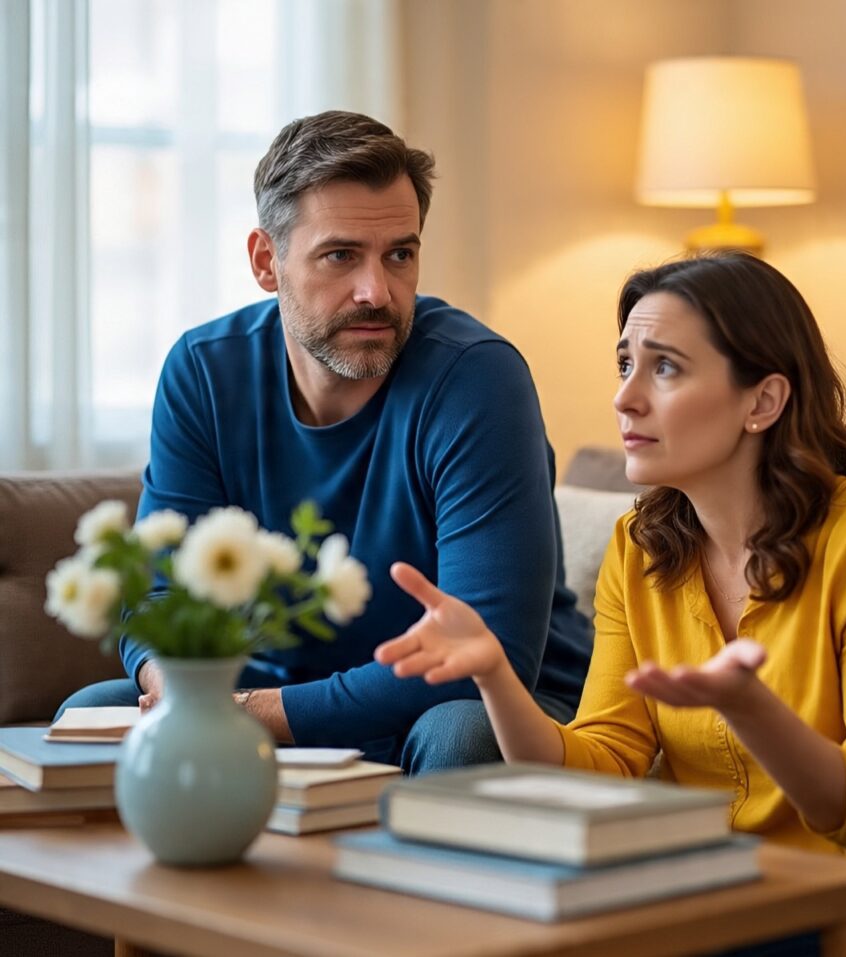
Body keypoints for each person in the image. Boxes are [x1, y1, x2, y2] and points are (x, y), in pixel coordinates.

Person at [374, 253, 846, 954]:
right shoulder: (640, 548)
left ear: (763, 401)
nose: (626, 398)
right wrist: (495, 676)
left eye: (664, 367)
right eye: (625, 364)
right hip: (723, 897)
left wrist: (752, 708)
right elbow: (605, 758)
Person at [57, 110, 591, 773]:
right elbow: (160, 591)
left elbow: (485, 654)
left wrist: (255, 712)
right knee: (93, 707)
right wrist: (173, 682)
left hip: (488, 704)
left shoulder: (477, 378)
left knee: (463, 734)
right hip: (282, 692)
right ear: (265, 261)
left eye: (400, 253)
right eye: (340, 255)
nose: (377, 291)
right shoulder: (203, 370)